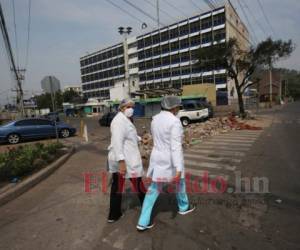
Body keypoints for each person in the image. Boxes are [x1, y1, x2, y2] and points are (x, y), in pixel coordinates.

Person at [136, 96, 195, 231]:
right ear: (173, 107)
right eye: (178, 107)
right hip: (170, 160)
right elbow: (175, 147)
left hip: (157, 157)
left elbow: (156, 141)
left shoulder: (155, 119)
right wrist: (178, 167)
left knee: (153, 189)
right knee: (179, 184)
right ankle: (183, 207)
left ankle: (143, 221)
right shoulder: (174, 122)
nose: (178, 109)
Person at [107, 99, 146, 223]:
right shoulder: (119, 121)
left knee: (118, 187)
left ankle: (114, 215)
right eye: (129, 106)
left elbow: (130, 136)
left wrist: (140, 139)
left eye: (133, 106)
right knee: (137, 185)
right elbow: (117, 142)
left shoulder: (125, 119)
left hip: (126, 159)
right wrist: (121, 162)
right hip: (124, 160)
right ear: (122, 107)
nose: (132, 109)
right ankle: (147, 208)